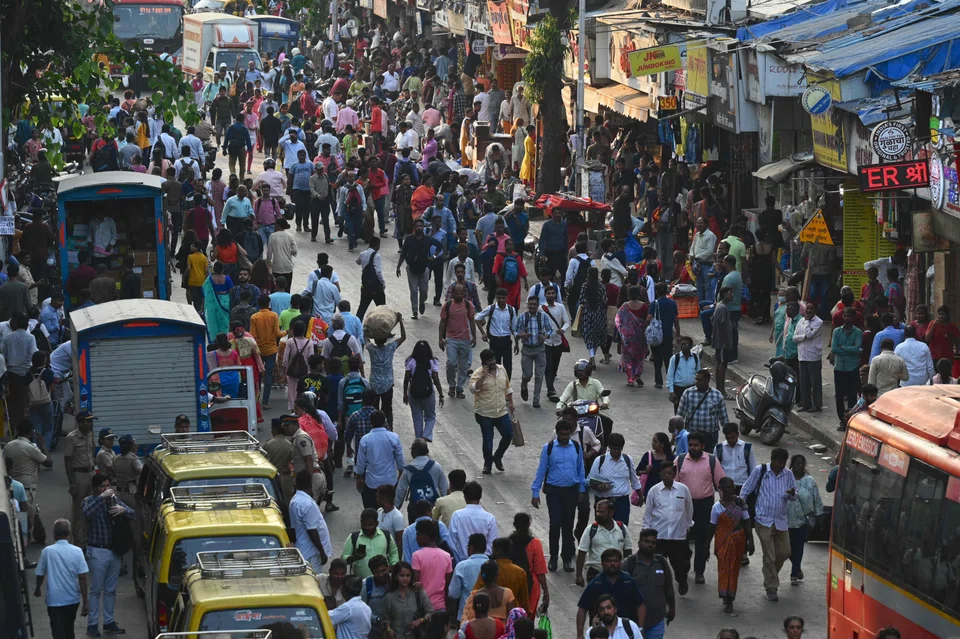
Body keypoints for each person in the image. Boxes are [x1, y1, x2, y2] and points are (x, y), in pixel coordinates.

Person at [740, 447, 797, 601]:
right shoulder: (760, 471)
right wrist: (741, 508)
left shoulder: (788, 474)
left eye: (784, 462)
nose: (781, 465)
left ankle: (770, 576)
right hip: (763, 520)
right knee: (769, 556)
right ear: (772, 460)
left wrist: (792, 494)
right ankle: (771, 588)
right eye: (779, 462)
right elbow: (745, 490)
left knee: (784, 552)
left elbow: (794, 496)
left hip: (781, 521)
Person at [82, 474, 134, 637]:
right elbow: (86, 513)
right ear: (96, 488)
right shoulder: (89, 500)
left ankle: (109, 622)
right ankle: (92, 624)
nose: (106, 489)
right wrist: (101, 498)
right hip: (97, 550)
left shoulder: (114, 500)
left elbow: (133, 513)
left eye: (107, 486)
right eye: (102, 487)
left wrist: (123, 510)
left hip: (114, 551)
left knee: (111, 589)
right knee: (96, 589)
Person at [531, 420, 587, 572]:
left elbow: (580, 470)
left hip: (571, 491)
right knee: (555, 524)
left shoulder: (576, 447)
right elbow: (541, 470)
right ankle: (554, 557)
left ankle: (567, 558)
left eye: (567, 434)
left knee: (568, 526)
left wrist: (582, 490)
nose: (564, 437)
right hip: (554, 492)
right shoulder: (548, 448)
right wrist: (535, 492)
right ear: (557, 433)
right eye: (561, 434)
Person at [675, 432, 726, 586]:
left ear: (703, 446)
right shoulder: (681, 460)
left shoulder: (711, 461)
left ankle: (699, 571)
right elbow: (674, 483)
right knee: (681, 539)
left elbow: (721, 483)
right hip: (684, 505)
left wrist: (725, 504)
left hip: (704, 505)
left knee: (702, 539)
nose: (693, 448)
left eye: (696, 445)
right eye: (690, 445)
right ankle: (683, 566)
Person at [641, 462, 693, 594]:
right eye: (664, 473)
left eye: (670, 473)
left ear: (674, 474)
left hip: (678, 536)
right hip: (660, 536)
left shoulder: (683, 489)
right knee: (658, 565)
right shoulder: (653, 491)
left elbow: (689, 509)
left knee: (680, 565)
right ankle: (660, 589)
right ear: (660, 475)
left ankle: (682, 581)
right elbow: (648, 513)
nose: (667, 476)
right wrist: (646, 531)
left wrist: (687, 527)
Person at [34, 519, 89, 639]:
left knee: (57, 631)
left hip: (54, 599)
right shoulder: (77, 551)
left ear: (54, 534)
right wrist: (85, 601)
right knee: (69, 629)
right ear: (69, 533)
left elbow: (40, 574)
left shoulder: (47, 552)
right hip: (72, 598)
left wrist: (37, 588)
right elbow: (82, 577)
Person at [707, 477, 754, 614]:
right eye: (728, 487)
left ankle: (730, 598)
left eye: (732, 487)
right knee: (723, 569)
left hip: (738, 541)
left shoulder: (740, 504)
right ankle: (725, 594)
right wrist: (706, 547)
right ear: (720, 489)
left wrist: (750, 541)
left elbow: (747, 521)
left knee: (733, 570)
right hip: (722, 543)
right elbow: (712, 527)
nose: (731, 489)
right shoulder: (716, 507)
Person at [575, 550, 646, 639]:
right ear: (602, 563)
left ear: (620, 562)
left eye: (615, 561)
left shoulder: (628, 581)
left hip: (625, 632)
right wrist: (580, 635)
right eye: (608, 561)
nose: (612, 564)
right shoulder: (596, 584)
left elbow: (640, 605)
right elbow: (582, 609)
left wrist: (640, 627)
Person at [622, 529, 675, 639]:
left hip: (657, 620)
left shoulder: (661, 562)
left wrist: (672, 608)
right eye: (646, 541)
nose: (650, 545)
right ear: (639, 543)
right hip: (633, 621)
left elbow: (669, 587)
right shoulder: (629, 563)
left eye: (653, 542)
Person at [469, 349, 514, 474]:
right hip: (484, 413)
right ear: (484, 362)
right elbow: (473, 389)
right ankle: (487, 464)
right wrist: (483, 377)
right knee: (488, 440)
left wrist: (511, 403)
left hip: (501, 411)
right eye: (489, 361)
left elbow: (507, 387)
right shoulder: (478, 374)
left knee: (508, 434)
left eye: (493, 359)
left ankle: (498, 456)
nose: (492, 362)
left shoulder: (501, 369)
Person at [586, 433, 642, 523]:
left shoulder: (627, 460)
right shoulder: (600, 460)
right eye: (614, 449)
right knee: (603, 531)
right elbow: (589, 481)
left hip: (622, 503)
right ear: (609, 446)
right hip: (603, 502)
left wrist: (640, 496)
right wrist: (599, 486)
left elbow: (634, 480)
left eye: (619, 449)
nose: (616, 451)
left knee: (621, 531)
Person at [576, 499, 632, 586]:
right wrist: (579, 576)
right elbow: (581, 553)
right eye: (597, 511)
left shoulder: (622, 529)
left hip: (617, 574)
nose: (598, 514)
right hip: (595, 574)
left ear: (611, 513)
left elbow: (628, 552)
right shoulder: (591, 529)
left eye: (601, 512)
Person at [355, 410, 404, 509]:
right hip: (390, 480)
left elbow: (360, 463)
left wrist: (359, 477)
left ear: (371, 422)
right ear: (384, 421)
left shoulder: (365, 439)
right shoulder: (393, 437)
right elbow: (400, 460)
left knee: (372, 509)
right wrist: (400, 474)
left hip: (372, 483)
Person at [786, 455, 822, 586]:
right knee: (787, 549)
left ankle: (794, 573)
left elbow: (816, 499)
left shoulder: (810, 481)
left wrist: (818, 517)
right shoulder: (787, 479)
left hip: (803, 521)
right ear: (793, 465)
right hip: (786, 520)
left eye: (802, 463)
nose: (800, 466)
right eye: (797, 463)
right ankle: (796, 566)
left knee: (799, 548)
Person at [64, 410, 96, 549]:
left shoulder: (90, 434)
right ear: (80, 422)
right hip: (79, 476)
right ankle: (79, 546)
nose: (91, 423)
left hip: (91, 474)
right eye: (88, 421)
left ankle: (89, 542)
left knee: (91, 511)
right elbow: (68, 461)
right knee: (79, 514)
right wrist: (72, 483)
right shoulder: (71, 438)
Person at [290, 470, 332, 574]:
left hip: (302, 548)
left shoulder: (295, 500)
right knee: (315, 581)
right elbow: (312, 531)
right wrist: (322, 552)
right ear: (310, 484)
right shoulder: (307, 504)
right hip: (311, 553)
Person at [514, 294, 552, 408]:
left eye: (534, 304)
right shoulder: (522, 317)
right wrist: (521, 335)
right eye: (530, 304)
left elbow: (550, 330)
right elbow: (515, 332)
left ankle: (536, 399)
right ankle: (524, 385)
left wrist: (545, 337)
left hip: (540, 349)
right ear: (527, 305)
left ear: (538, 305)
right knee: (528, 374)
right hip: (527, 350)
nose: (532, 306)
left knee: (539, 376)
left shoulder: (543, 317)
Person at [440, 284, 477, 399]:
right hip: (451, 339)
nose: (459, 295)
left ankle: (459, 388)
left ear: (464, 293)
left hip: (465, 339)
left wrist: (474, 337)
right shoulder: (448, 305)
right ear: (453, 293)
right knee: (451, 363)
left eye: (461, 293)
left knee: (463, 366)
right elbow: (443, 322)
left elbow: (472, 321)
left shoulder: (468, 305)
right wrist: (440, 338)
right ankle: (451, 385)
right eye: (457, 293)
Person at [676, 370, 728, 451]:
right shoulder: (688, 393)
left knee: (709, 460)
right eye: (696, 379)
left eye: (700, 380)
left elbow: (724, 418)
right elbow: (679, 416)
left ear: (707, 380)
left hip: (710, 437)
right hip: (692, 435)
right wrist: (676, 434)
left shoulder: (717, 395)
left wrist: (729, 435)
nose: (697, 382)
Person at [403, 340, 445, 441]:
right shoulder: (433, 362)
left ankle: (419, 442)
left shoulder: (410, 360)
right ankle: (426, 435)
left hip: (413, 392)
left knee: (417, 419)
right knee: (430, 417)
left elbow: (406, 379)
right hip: (428, 393)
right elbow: (436, 379)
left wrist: (405, 394)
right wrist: (441, 395)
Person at [342, 509, 400, 581]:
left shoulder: (386, 535)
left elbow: (393, 552)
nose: (367, 528)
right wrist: (355, 557)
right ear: (361, 522)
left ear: (377, 523)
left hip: (382, 581)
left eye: (370, 525)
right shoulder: (354, 537)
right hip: (360, 582)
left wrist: (393, 565)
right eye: (364, 525)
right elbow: (343, 558)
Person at [383, 561, 434, 638]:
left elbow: (431, 612)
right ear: (396, 577)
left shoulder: (418, 592)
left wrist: (420, 620)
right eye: (402, 575)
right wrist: (389, 630)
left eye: (408, 575)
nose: (405, 578)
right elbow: (385, 618)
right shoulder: (389, 596)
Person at [449, 481, 499, 561]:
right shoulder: (490, 518)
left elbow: (452, 541)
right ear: (480, 497)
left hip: (461, 561)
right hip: (484, 563)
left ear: (465, 497)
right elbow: (492, 543)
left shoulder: (457, 516)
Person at [832, 307, 863, 429]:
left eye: (849, 316)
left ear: (853, 317)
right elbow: (834, 349)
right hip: (839, 367)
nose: (846, 318)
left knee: (851, 395)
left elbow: (857, 349)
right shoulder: (837, 332)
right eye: (844, 316)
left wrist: (842, 348)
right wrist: (850, 350)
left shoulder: (858, 332)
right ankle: (841, 419)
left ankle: (850, 418)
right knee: (839, 396)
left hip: (852, 367)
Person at [395, 439, 449, 511]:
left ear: (413, 452)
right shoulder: (436, 466)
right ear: (427, 451)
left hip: (415, 508)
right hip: (432, 508)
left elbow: (400, 491)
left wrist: (396, 508)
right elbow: (444, 488)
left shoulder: (408, 470)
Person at [397, 218, 434, 319]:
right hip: (412, 268)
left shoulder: (427, 238)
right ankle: (414, 311)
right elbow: (403, 253)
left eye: (420, 226)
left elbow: (439, 246)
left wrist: (433, 257)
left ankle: (422, 302)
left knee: (424, 290)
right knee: (413, 290)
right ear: (414, 228)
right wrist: (398, 267)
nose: (419, 228)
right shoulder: (409, 239)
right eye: (417, 226)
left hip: (424, 268)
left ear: (423, 227)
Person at [792, 302, 824, 412]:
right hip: (802, 355)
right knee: (804, 382)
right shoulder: (801, 321)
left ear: (815, 310)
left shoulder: (818, 322)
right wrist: (804, 336)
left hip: (813, 356)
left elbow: (810, 335)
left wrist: (806, 325)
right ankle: (806, 404)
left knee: (815, 383)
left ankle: (817, 405)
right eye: (807, 309)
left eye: (811, 309)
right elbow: (794, 338)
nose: (808, 311)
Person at [615, 285, 649, 388]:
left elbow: (618, 319)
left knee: (628, 358)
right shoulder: (644, 306)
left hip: (627, 336)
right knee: (639, 357)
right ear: (639, 294)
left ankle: (630, 379)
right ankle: (637, 375)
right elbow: (646, 320)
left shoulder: (624, 306)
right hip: (640, 335)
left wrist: (621, 330)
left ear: (629, 294)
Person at [715, 422, 757, 496]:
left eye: (733, 437)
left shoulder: (747, 448)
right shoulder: (719, 448)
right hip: (726, 488)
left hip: (743, 487)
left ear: (738, 434)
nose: (731, 440)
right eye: (728, 438)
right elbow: (716, 469)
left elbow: (753, 469)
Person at [666, 336, 700, 414]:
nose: (683, 346)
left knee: (692, 412)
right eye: (681, 344)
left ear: (691, 346)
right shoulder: (675, 358)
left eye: (685, 344)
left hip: (692, 389)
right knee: (678, 413)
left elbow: (698, 373)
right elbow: (670, 375)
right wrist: (671, 391)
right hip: (679, 389)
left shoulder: (695, 358)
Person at [356, 236, 386, 319]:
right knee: (382, 309)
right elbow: (378, 272)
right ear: (377, 245)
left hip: (365, 286)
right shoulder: (377, 256)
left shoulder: (362, 253)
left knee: (362, 308)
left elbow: (357, 262)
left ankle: (356, 327)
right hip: (376, 287)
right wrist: (382, 282)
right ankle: (383, 328)